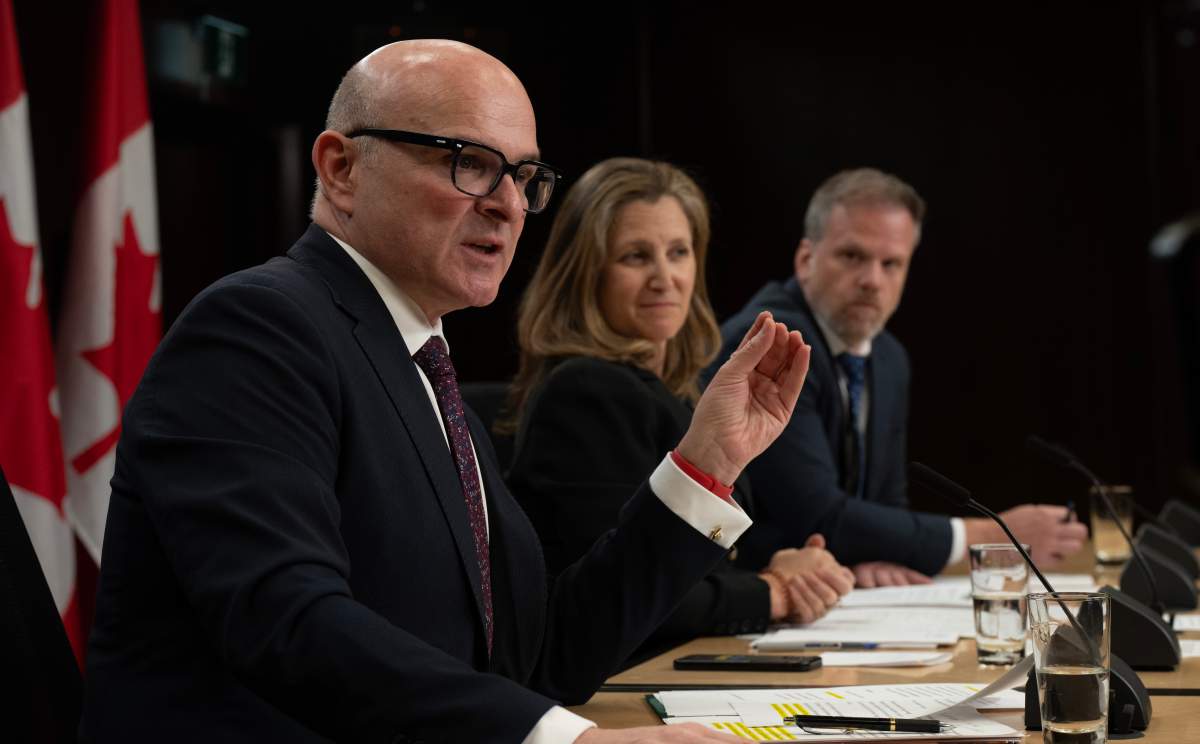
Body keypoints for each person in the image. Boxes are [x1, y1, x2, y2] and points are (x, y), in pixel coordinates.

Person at [81, 40, 811, 744]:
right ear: (340, 169)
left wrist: (706, 461)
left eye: (524, 177)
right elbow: (286, 619)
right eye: (469, 163)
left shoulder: (421, 360)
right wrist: (568, 740)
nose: (509, 205)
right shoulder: (257, 328)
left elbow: (542, 655)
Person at [502, 158, 854, 663]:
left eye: (678, 253)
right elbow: (620, 591)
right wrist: (773, 591)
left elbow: (693, 559)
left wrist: (791, 565)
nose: (664, 278)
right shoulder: (585, 392)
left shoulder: (685, 390)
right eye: (635, 256)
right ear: (587, 274)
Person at [708, 168, 1087, 587]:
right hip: (744, 602)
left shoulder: (888, 357)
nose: (873, 280)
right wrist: (989, 535)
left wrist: (869, 557)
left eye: (892, 264)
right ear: (805, 260)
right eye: (852, 257)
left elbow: (886, 502)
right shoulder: (769, 344)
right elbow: (813, 513)